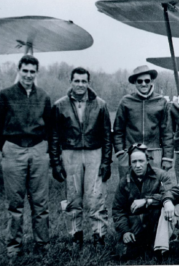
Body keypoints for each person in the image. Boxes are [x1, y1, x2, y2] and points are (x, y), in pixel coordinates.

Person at [0, 55, 51, 259]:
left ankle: (42, 245)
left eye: (32, 72)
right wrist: (4, 146)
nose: (28, 75)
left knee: (40, 203)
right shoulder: (5, 95)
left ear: (36, 73)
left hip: (38, 150)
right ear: (19, 70)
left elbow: (49, 125)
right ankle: (14, 246)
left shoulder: (43, 96)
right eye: (25, 71)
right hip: (14, 150)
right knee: (15, 203)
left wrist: (44, 147)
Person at [49, 67, 112, 249]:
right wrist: (56, 163)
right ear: (71, 82)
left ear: (88, 83)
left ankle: (98, 235)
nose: (80, 85)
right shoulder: (60, 105)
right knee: (73, 197)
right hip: (70, 153)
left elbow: (107, 135)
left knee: (96, 197)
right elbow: (54, 136)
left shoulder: (100, 104)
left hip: (95, 152)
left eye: (84, 81)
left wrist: (106, 161)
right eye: (76, 81)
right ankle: (76, 235)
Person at [112, 143, 172, 259]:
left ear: (147, 160)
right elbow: (118, 209)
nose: (138, 165)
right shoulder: (125, 181)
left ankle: (159, 244)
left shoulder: (161, 176)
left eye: (141, 161)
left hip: (155, 223)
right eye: (134, 162)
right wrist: (125, 231)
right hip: (135, 224)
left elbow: (169, 195)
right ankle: (142, 244)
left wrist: (147, 200)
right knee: (123, 254)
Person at [112, 65, 173, 178]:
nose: (143, 84)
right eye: (140, 81)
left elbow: (167, 132)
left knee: (154, 189)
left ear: (151, 81)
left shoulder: (161, 101)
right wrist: (121, 153)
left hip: (154, 152)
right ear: (135, 82)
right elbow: (117, 130)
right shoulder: (126, 101)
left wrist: (167, 157)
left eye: (147, 80)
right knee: (129, 189)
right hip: (130, 153)